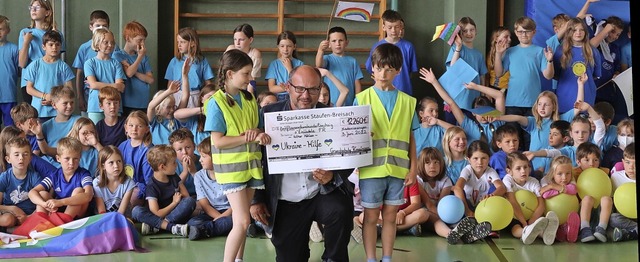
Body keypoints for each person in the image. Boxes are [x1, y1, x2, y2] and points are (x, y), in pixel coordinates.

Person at [251, 65, 354, 262]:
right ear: (288, 87)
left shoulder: (332, 116)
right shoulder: (267, 115)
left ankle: (333, 258)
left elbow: (347, 157)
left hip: (321, 193)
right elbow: (254, 159)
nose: (305, 95)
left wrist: (333, 176)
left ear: (320, 88)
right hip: (285, 200)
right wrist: (256, 199)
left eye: (313, 89)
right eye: (300, 89)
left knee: (340, 210)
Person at [205, 49, 269, 262]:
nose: (250, 78)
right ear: (230, 74)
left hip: (251, 167)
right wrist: (247, 138)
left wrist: (261, 136)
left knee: (244, 222)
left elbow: (257, 130)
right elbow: (218, 141)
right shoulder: (216, 102)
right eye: (246, 73)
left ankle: (239, 259)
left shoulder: (250, 99)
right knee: (242, 221)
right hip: (231, 171)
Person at [355, 43, 417, 262]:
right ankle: (371, 258)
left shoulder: (409, 102)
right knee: (371, 217)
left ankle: (387, 258)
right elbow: (352, 135)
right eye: (379, 68)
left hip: (398, 170)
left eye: (389, 69)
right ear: (372, 68)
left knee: (391, 216)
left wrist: (413, 168)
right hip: (371, 169)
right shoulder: (362, 98)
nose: (384, 73)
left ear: (398, 71)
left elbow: (411, 137)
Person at [493, 16, 555, 116]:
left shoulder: (540, 51)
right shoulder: (510, 51)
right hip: (513, 102)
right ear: (516, 32)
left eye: (527, 31)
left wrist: (550, 61)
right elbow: (499, 73)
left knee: (531, 131)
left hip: (533, 102)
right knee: (511, 131)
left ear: (534, 32)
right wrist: (498, 54)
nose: (524, 34)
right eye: (520, 31)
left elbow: (548, 76)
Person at [132, 145, 195, 237]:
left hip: (175, 214)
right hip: (161, 214)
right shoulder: (152, 186)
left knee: (190, 201)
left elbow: (186, 197)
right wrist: (174, 203)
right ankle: (171, 227)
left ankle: (157, 226)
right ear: (162, 167)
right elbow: (157, 213)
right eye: (174, 163)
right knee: (136, 211)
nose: (176, 165)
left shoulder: (173, 176)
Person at [28, 137, 94, 222]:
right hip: (58, 211)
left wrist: (61, 202)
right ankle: (42, 223)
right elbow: (32, 192)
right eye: (67, 158)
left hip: (78, 214)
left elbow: (88, 196)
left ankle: (63, 223)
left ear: (80, 158)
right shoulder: (54, 175)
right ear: (58, 158)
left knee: (78, 191)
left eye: (75, 159)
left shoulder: (84, 174)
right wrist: (44, 204)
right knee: (42, 194)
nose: (71, 163)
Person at [503, 152, 559, 245]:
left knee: (539, 222)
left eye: (525, 167)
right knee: (515, 228)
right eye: (518, 168)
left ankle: (545, 234)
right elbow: (512, 202)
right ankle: (524, 232)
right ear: (509, 171)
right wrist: (524, 223)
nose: (523, 171)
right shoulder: (508, 180)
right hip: (514, 215)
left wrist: (532, 221)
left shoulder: (533, 182)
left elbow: (541, 204)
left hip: (531, 216)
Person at [19, 0, 65, 104]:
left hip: (50, 80)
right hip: (30, 83)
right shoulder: (25, 33)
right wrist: (26, 42)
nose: (33, 10)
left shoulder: (56, 34)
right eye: (31, 7)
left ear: (47, 12)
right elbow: (22, 64)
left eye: (38, 7)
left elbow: (56, 61)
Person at [186, 137, 233, 240]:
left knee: (236, 220)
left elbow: (235, 205)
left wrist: (220, 218)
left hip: (230, 212)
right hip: (211, 212)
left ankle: (205, 230)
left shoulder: (229, 173)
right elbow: (205, 205)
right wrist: (218, 219)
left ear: (215, 157)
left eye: (203, 156)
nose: (200, 160)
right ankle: (220, 228)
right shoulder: (199, 176)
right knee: (193, 222)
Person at [442, 17, 487, 124]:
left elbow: (482, 77)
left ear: (476, 31)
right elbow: (452, 67)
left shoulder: (479, 55)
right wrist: (458, 47)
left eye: (471, 30)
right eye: (465, 31)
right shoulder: (455, 49)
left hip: (472, 101)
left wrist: (483, 95)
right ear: (460, 33)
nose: (469, 33)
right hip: (455, 99)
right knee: (452, 132)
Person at [72, 10, 116, 116]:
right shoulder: (84, 48)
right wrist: (80, 97)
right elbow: (80, 74)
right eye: (98, 25)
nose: (101, 28)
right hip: (90, 98)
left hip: (111, 99)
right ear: (91, 27)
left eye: (104, 26)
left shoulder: (113, 47)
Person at [553, 18, 601, 113]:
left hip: (587, 99)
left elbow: (595, 75)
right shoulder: (560, 51)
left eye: (581, 30)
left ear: (585, 32)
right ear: (569, 32)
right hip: (565, 99)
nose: (578, 33)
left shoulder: (593, 51)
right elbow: (555, 75)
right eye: (574, 30)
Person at [23, 30, 74, 120]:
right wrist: (45, 96)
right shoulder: (35, 65)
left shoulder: (63, 67)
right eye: (51, 45)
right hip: (39, 112)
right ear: (44, 46)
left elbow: (69, 90)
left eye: (57, 45)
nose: (54, 47)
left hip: (59, 112)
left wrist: (54, 100)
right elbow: (29, 89)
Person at [365, 10, 417, 96]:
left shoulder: (408, 47)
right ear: (383, 27)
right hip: (382, 92)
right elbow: (371, 68)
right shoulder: (376, 47)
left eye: (396, 27)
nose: (393, 30)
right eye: (390, 27)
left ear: (401, 27)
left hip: (403, 91)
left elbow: (411, 71)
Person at [452, 141, 506, 218]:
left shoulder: (490, 171)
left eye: (483, 158)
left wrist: (491, 196)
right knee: (459, 193)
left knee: (494, 189)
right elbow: (457, 188)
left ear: (489, 159)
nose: (479, 162)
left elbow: (502, 188)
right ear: (469, 159)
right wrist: (467, 211)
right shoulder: (467, 170)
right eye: (475, 158)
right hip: (466, 205)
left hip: (483, 206)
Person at [31, 86, 82, 167]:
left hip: (72, 164)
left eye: (72, 102)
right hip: (51, 167)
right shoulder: (45, 126)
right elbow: (43, 151)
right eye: (65, 103)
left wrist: (48, 150)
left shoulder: (79, 121)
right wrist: (39, 134)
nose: (69, 106)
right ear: (54, 105)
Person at [84, 28, 126, 124]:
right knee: (95, 132)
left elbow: (121, 87)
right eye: (106, 42)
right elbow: (94, 85)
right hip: (95, 105)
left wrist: (98, 85)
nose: (110, 45)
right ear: (97, 43)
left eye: (112, 42)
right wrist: (114, 86)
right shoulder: (90, 63)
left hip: (114, 105)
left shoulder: (116, 64)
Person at [0, 138, 44, 228]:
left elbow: (42, 197)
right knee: (7, 220)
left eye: (25, 154)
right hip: (10, 213)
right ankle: (11, 230)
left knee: (44, 194)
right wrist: (12, 208)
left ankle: (22, 227)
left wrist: (29, 217)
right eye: (16, 155)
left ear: (30, 158)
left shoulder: (34, 176)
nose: (21, 158)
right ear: (8, 159)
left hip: (30, 214)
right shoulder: (5, 177)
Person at [165, 27, 214, 108]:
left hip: (195, 96)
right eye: (178, 42)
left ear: (192, 43)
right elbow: (170, 84)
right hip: (177, 96)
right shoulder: (174, 61)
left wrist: (210, 98)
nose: (179, 45)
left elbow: (208, 83)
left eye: (183, 42)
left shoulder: (202, 61)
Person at [113, 21, 154, 116]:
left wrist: (134, 72)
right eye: (139, 40)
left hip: (143, 102)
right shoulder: (118, 55)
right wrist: (139, 57)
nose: (142, 44)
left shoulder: (144, 57)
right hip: (127, 102)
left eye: (144, 40)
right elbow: (129, 74)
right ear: (128, 38)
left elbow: (150, 79)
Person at [316, 26, 363, 106]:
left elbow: (357, 83)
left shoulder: (353, 61)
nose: (337, 43)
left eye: (340, 40)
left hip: (349, 104)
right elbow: (319, 65)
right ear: (329, 44)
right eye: (334, 41)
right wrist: (320, 50)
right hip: (330, 103)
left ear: (346, 43)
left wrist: (358, 100)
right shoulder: (327, 59)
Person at [540, 156, 580, 243]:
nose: (564, 178)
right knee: (551, 221)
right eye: (560, 174)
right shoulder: (545, 180)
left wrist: (553, 187)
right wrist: (562, 189)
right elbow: (545, 195)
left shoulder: (572, 179)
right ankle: (558, 232)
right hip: (550, 213)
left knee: (567, 220)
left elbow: (573, 190)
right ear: (553, 173)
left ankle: (568, 229)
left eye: (567, 173)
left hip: (567, 211)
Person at [118, 111, 153, 207]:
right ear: (126, 128)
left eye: (139, 126)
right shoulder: (123, 146)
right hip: (122, 183)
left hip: (139, 187)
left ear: (147, 129)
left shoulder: (148, 151)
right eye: (131, 125)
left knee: (131, 199)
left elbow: (149, 181)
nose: (134, 129)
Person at [92, 145, 135, 215]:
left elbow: (121, 211)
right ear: (103, 166)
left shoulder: (129, 183)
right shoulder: (96, 183)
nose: (116, 166)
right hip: (103, 217)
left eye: (119, 161)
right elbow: (101, 211)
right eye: (111, 163)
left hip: (122, 217)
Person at [174, 84, 215, 150]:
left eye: (216, 98)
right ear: (202, 99)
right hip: (197, 157)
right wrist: (202, 109)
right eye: (209, 97)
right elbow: (176, 114)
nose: (213, 101)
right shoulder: (195, 118)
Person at [610, 143, 637, 242]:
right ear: (622, 162)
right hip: (624, 217)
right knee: (613, 219)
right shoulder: (616, 177)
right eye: (628, 162)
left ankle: (629, 233)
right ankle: (634, 230)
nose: (631, 167)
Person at [266, 31, 304, 101]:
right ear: (278, 47)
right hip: (278, 98)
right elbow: (272, 88)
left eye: (289, 46)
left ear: (294, 47)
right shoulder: (274, 64)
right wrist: (288, 88)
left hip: (295, 97)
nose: (285, 49)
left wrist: (289, 69)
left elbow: (300, 86)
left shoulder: (300, 64)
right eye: (282, 46)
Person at [148, 80, 188, 146]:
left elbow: (185, 97)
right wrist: (168, 92)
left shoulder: (176, 117)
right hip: (159, 153)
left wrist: (185, 76)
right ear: (158, 108)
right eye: (168, 107)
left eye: (173, 106)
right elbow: (151, 106)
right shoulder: (154, 121)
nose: (172, 110)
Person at [226, 23, 262, 94]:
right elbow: (224, 74)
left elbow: (252, 79)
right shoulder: (230, 49)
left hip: (247, 85)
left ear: (250, 40)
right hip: (230, 84)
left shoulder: (255, 54)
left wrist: (248, 97)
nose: (237, 43)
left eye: (241, 40)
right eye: (235, 39)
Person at [168, 128, 200, 198]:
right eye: (179, 149)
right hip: (182, 198)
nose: (184, 152)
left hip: (201, 197)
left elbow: (207, 187)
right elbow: (173, 188)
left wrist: (193, 172)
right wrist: (185, 172)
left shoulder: (202, 161)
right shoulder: (171, 165)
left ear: (194, 147)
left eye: (188, 147)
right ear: (173, 151)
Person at [0, 15, 19, 127]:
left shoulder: (14, 49)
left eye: (1, 29)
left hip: (9, 95)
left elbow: (19, 69)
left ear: (8, 30)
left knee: (11, 128)